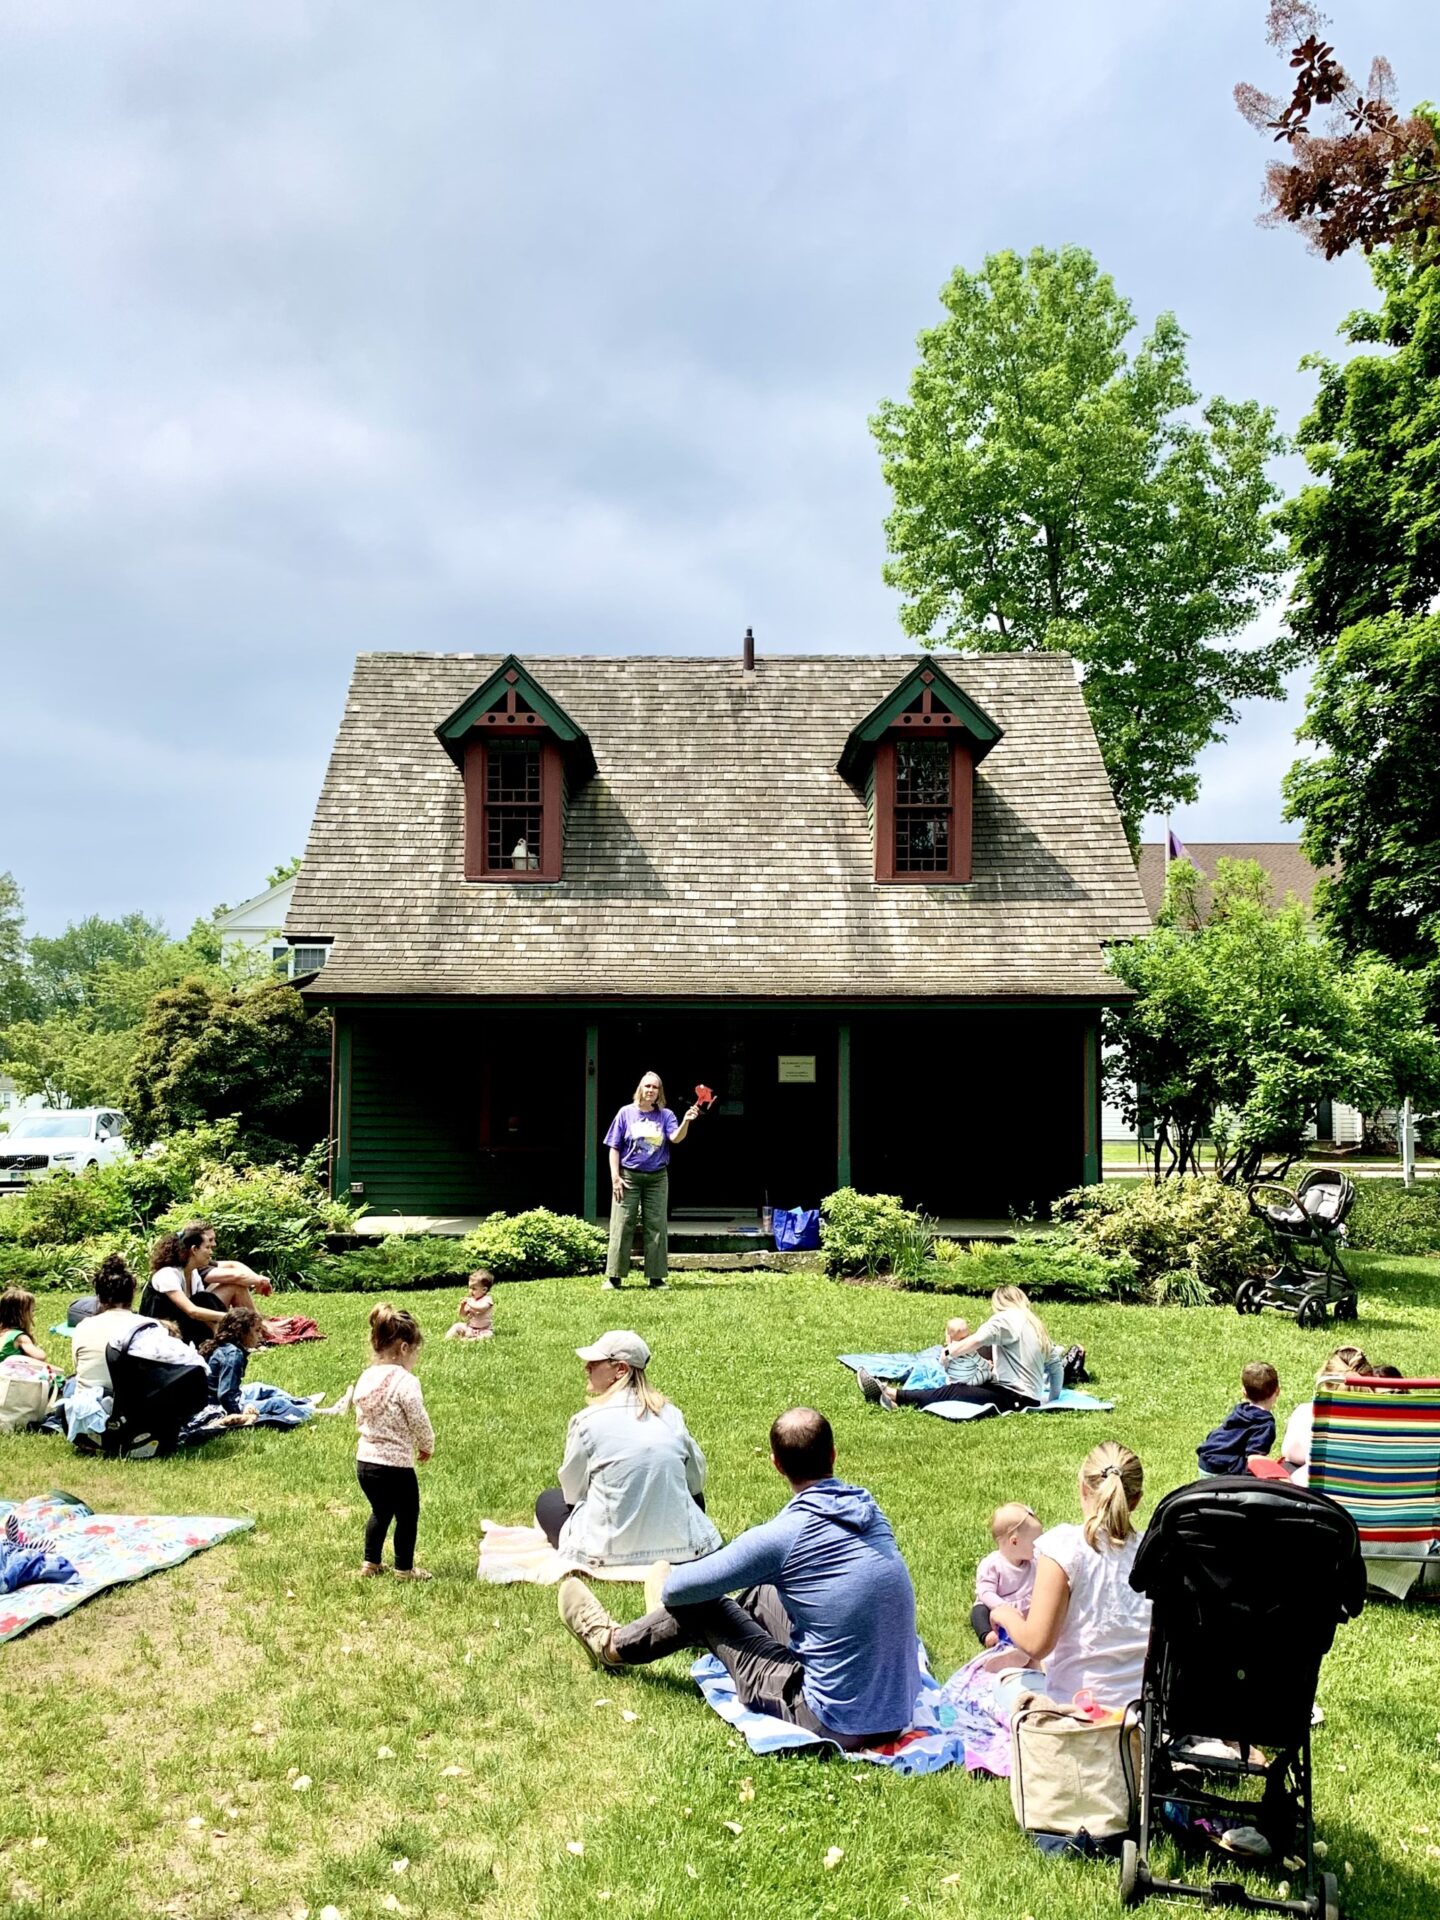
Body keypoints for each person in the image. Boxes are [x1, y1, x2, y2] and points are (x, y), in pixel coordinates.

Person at [556, 1407, 921, 1750]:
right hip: (897, 1709)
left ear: (776, 1464)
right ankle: (700, 1636)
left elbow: (679, 1588)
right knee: (763, 1593)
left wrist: (671, 1595)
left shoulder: (781, 1537)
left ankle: (611, 1645)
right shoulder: (868, 1510)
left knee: (703, 1607)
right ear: (833, 1455)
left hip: (834, 1721)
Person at [988, 1440, 1152, 1713]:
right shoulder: (1154, 1550)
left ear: (1083, 1489)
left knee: (1003, 1684)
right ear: (1136, 1500)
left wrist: (1005, 1613)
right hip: (1142, 1716)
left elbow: (1036, 1645)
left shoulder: (1064, 1548)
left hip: (1078, 1718)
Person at [534, 1330, 721, 1570]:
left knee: (548, 1501)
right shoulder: (671, 1415)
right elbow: (695, 1482)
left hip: (605, 1552)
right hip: (682, 1549)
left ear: (620, 1369)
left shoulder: (587, 1421)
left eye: (594, 1362)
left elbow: (572, 1493)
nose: (586, 1368)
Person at [859, 1286, 1062, 1414]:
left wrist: (949, 1352)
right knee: (968, 1382)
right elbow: (1056, 1367)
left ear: (999, 1303)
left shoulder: (1006, 1318)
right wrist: (1051, 1399)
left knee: (955, 1391)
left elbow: (977, 1340)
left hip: (1015, 1398)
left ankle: (891, 1394)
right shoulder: (1036, 1325)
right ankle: (888, 1395)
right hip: (1025, 1395)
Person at [354, 1304, 435, 1580]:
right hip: (396, 1466)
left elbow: (360, 1414)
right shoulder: (406, 1381)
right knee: (407, 1516)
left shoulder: (366, 1377)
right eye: (415, 1352)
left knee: (380, 1510)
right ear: (403, 1348)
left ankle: (371, 1562)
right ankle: (404, 1568)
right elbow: (418, 1418)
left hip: (366, 1463)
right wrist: (427, 1444)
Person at [602, 1071, 701, 1289]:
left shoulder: (666, 1115)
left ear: (659, 1092)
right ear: (640, 1089)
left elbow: (675, 1138)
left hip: (657, 1177)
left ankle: (656, 1277)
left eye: (655, 1088)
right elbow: (614, 1147)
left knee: (656, 1225)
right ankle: (614, 1277)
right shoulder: (625, 1113)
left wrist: (686, 1120)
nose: (650, 1090)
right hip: (628, 1177)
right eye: (647, 1086)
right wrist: (615, 1177)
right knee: (621, 1224)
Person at [197, 1307, 319, 1428]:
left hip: (214, 1400)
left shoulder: (223, 1345)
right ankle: (314, 1412)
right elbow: (226, 1395)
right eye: (257, 1330)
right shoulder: (233, 1354)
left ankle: (301, 1402)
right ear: (241, 1332)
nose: (260, 1335)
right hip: (217, 1407)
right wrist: (241, 1412)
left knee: (260, 1388)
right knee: (276, 1403)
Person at [1280, 1346, 1372, 1487]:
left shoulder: (1308, 1413)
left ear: (1325, 1379)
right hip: (1376, 1499)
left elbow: (1290, 1453)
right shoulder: (1388, 1421)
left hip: (1321, 1501)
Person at [70, 1256, 154, 1396]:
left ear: (99, 1297)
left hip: (88, 1406)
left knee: (71, 1382)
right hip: (134, 1406)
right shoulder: (149, 1326)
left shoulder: (83, 1327)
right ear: (132, 1294)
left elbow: (79, 1366)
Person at [140, 1227, 228, 1343]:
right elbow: (192, 1311)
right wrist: (228, 1317)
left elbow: (204, 1304)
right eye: (207, 1247)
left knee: (205, 1298)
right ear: (194, 1249)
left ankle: (220, 1339)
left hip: (181, 1325)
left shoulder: (193, 1273)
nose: (211, 1252)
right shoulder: (167, 1274)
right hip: (160, 1330)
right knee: (205, 1299)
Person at [973, 1502, 1043, 1646]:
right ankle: (988, 1635)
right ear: (1015, 1542)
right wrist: (1003, 1607)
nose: (1038, 1546)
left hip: (1024, 1608)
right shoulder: (993, 1564)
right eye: (1035, 1542)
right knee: (979, 1611)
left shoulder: (1033, 1561)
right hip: (997, 1608)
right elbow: (985, 1592)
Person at [1197, 1362, 1281, 1477]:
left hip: (1205, 1459)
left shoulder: (1240, 1411)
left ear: (1244, 1393)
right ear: (1277, 1391)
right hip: (1222, 1469)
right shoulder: (1265, 1424)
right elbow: (1254, 1459)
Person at [0, 1288, 55, 1366]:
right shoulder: (20, 1337)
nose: (33, 1314)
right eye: (31, 1311)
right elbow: (40, 1357)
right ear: (21, 1314)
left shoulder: (2, 1333)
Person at [444, 1270, 495, 1341]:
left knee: (488, 1335)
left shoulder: (487, 1299)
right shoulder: (471, 1300)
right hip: (470, 1328)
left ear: (484, 1290)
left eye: (474, 1289)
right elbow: (462, 1315)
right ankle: (447, 1338)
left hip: (484, 1330)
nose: (470, 1291)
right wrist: (462, 1306)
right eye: (469, 1288)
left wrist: (470, 1304)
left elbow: (482, 1308)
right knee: (457, 1325)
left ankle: (470, 1340)